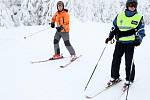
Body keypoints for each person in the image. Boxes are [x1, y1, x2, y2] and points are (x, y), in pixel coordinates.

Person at [105, 0, 145, 86]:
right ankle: (114, 77)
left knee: (129, 61)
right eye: (130, 5)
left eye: (134, 5)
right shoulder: (120, 15)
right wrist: (110, 36)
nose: (132, 7)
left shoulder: (139, 17)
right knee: (115, 60)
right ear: (127, 6)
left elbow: (141, 31)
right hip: (119, 42)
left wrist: (138, 40)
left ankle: (129, 79)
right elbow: (114, 27)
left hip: (130, 43)